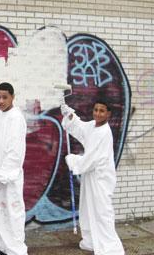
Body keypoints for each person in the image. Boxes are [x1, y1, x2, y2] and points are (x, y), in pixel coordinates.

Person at [61, 98, 125, 254]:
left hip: (101, 179)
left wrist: (74, 160)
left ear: (108, 114)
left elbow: (93, 159)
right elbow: (80, 128)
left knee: (102, 212)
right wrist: (70, 116)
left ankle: (111, 247)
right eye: (96, 110)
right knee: (87, 208)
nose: (97, 113)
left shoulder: (104, 133)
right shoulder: (92, 126)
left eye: (102, 111)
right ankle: (91, 241)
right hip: (90, 176)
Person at [0, 82, 28, 255]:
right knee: (0, 211)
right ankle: (4, 246)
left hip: (9, 176)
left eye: (5, 97)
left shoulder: (16, 118)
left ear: (13, 97)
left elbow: (15, 150)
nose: (1, 101)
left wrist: (5, 173)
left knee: (13, 212)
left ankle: (16, 250)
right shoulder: (3, 115)